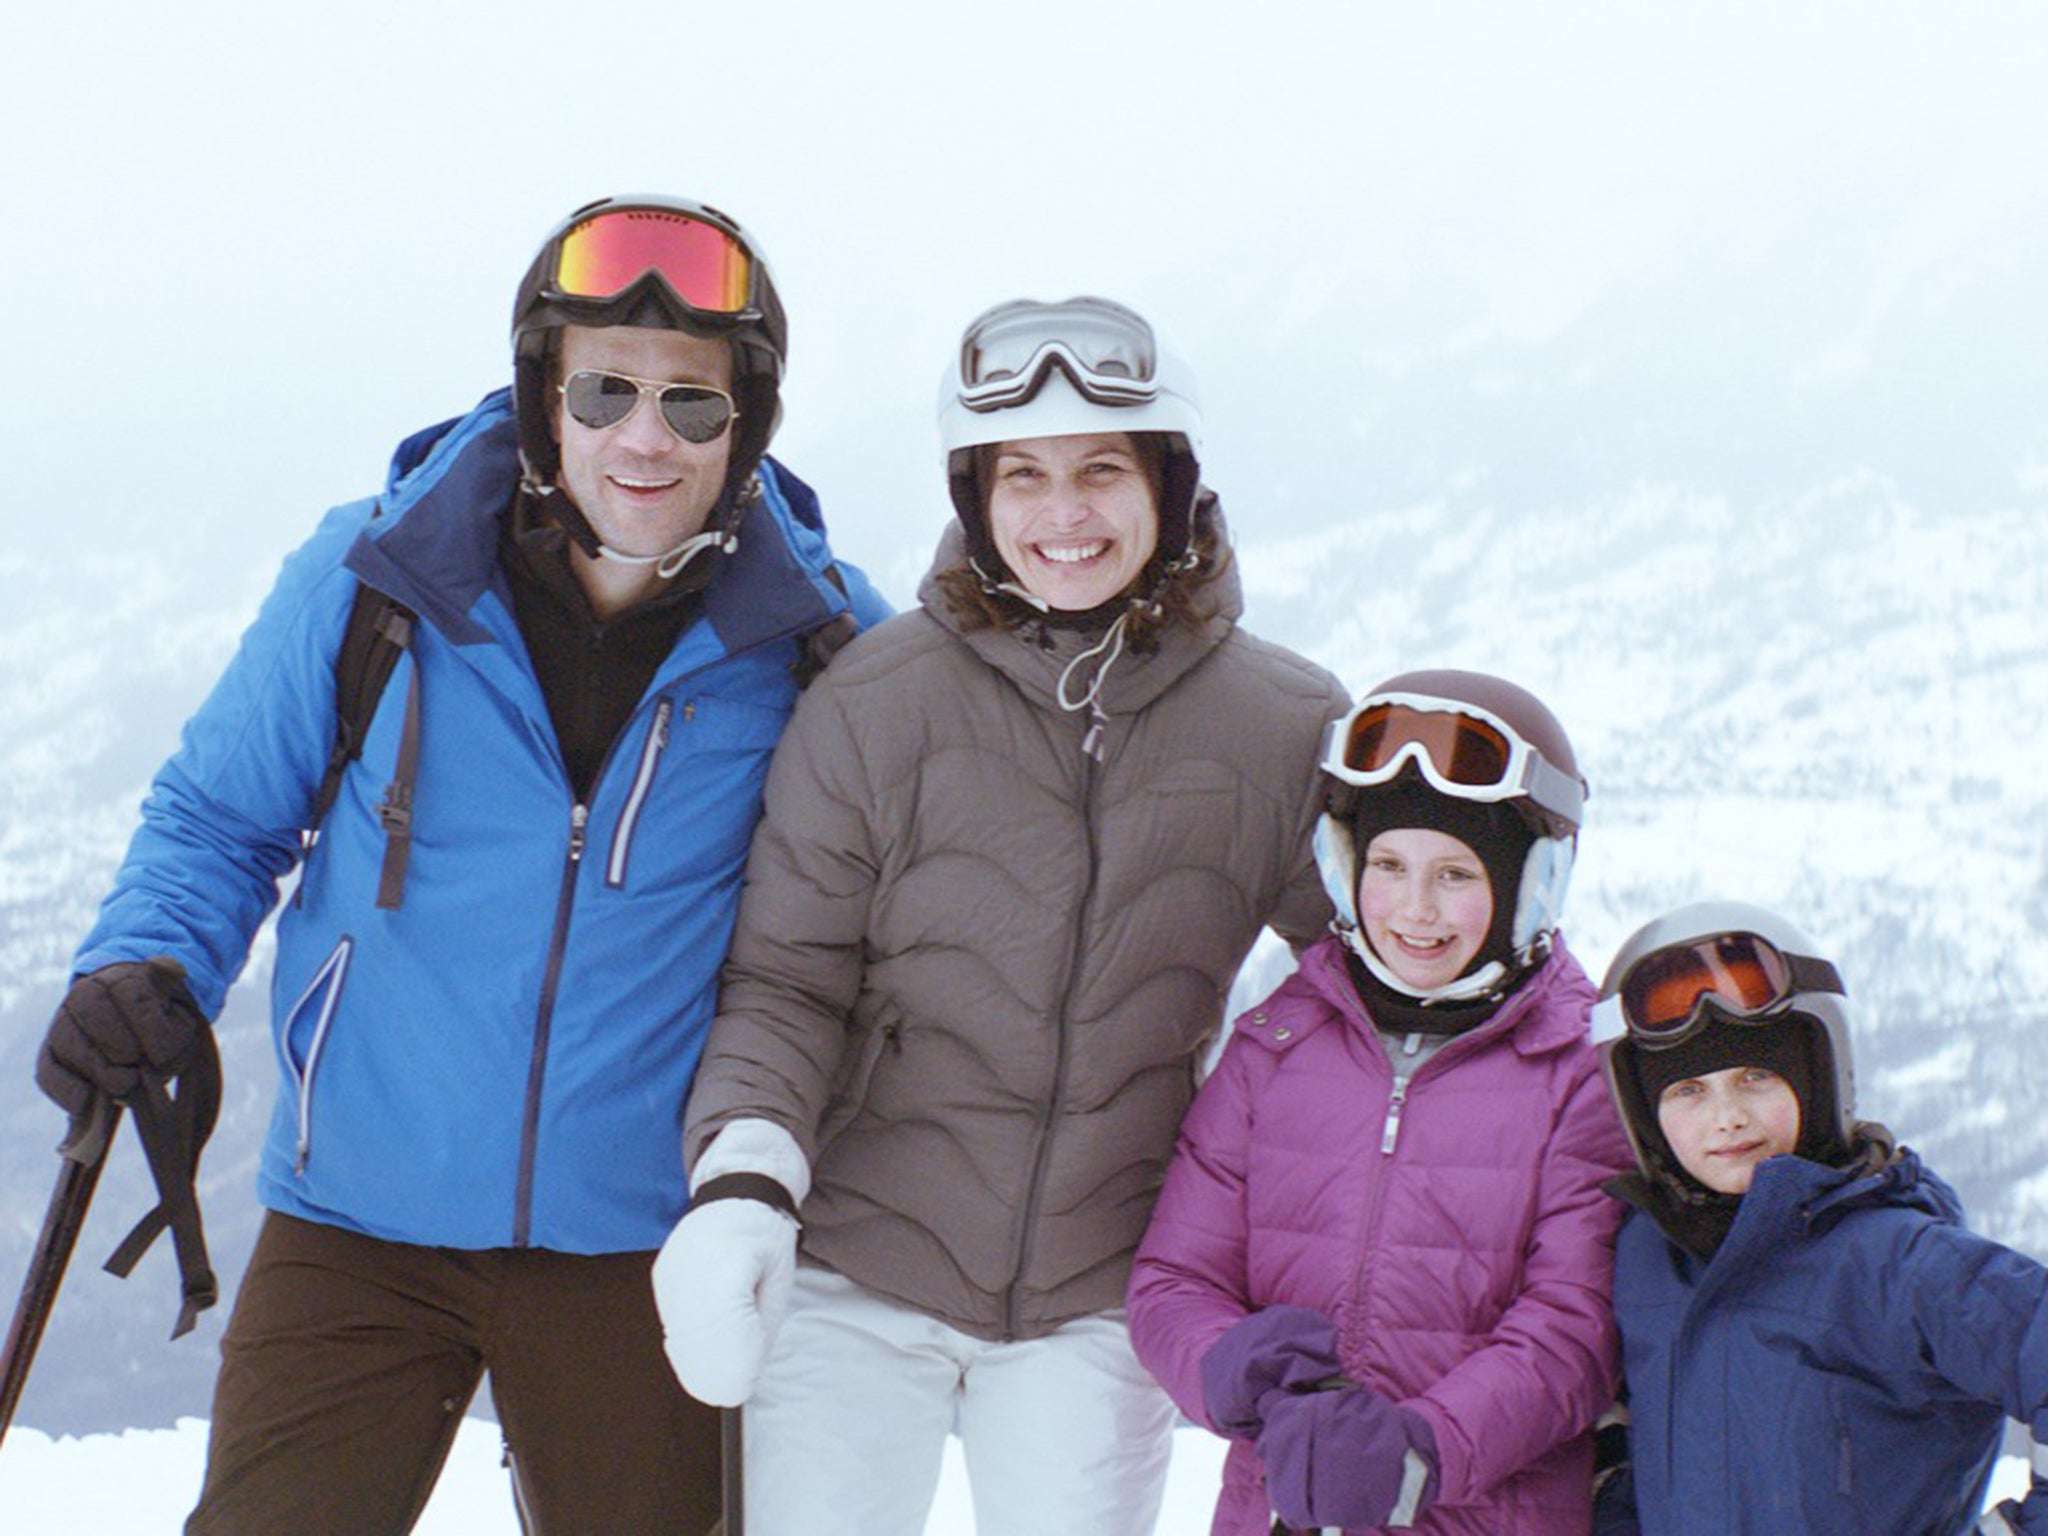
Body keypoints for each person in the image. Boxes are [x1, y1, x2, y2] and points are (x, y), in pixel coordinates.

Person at [32, 193, 885, 1533]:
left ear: (749, 425)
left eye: (695, 405)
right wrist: (144, 962)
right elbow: (218, 816)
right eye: (605, 390)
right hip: (361, 1214)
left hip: (639, 1243)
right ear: (546, 397)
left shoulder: (821, 650)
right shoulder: (380, 578)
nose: (645, 439)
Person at [651, 295, 1351, 1534]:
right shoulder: (880, 702)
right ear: (975, 498)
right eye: (1020, 476)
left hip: (1101, 1289)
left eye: (1099, 470)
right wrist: (746, 1181)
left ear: (1170, 482)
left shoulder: (1280, 725)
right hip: (859, 1266)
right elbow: (787, 981)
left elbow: (1355, 998)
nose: (1061, 515)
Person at [1125, 670, 1635, 1534]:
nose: (1416, 909)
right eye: (1389, 865)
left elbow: (1573, 1328)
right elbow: (1175, 1279)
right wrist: (1240, 1373)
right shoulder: (1275, 1047)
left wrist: (1415, 1451)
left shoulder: (1579, 1074)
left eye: (1457, 874)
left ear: (1528, 887)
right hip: (1280, 1507)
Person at [1592, 900, 2048, 1534]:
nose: (1725, 1117)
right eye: (1687, 1091)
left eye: (1755, 1076)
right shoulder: (1645, 1254)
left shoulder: (1899, 1264)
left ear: (1820, 1081)